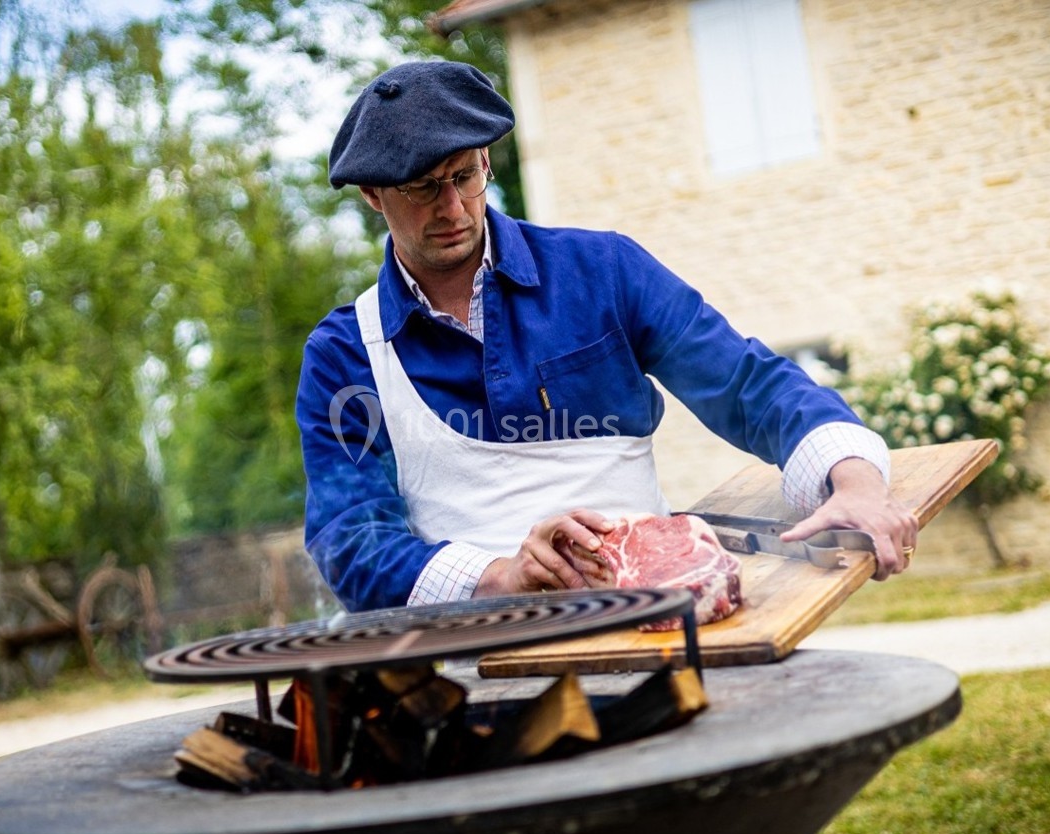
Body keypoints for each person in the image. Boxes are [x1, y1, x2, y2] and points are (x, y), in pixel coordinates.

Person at [296, 60, 917, 613]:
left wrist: (855, 481)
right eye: (422, 189)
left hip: (649, 612)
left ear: (487, 160)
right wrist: (505, 576)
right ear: (374, 195)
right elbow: (351, 540)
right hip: (469, 661)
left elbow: (747, 382)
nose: (454, 208)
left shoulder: (604, 272)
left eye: (465, 176)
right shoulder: (346, 353)